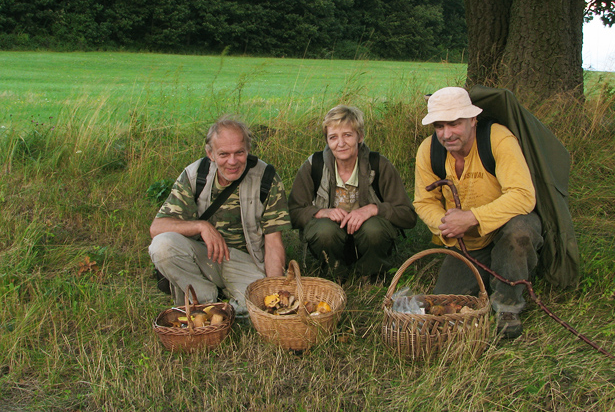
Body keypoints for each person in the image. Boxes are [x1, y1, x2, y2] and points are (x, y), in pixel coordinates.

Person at [413, 87, 543, 338]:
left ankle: (508, 305)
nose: (446, 134)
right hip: (467, 241)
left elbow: (523, 195)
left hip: (505, 225)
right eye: (439, 126)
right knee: (443, 299)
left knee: (519, 234)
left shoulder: (497, 139)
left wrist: (472, 218)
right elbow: (423, 201)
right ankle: (497, 267)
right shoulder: (428, 151)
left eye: (454, 124)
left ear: (473, 120)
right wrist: (446, 224)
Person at [149, 116, 290, 315]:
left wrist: (273, 289)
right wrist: (201, 226)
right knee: (162, 245)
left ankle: (230, 304)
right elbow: (157, 228)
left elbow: (274, 242)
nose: (232, 162)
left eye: (239, 153)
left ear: (248, 150)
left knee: (263, 307)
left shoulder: (266, 178)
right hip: (203, 255)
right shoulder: (195, 175)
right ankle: (206, 300)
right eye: (224, 154)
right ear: (210, 154)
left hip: (246, 261)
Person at [288, 105, 417, 280]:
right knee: (325, 230)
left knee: (374, 229)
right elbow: (292, 213)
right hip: (331, 240)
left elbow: (408, 216)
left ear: (360, 136)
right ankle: (334, 276)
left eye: (347, 135)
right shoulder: (314, 165)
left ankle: (372, 275)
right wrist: (320, 212)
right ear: (327, 141)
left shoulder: (379, 165)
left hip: (368, 240)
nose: (340, 143)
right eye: (333, 137)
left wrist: (374, 209)